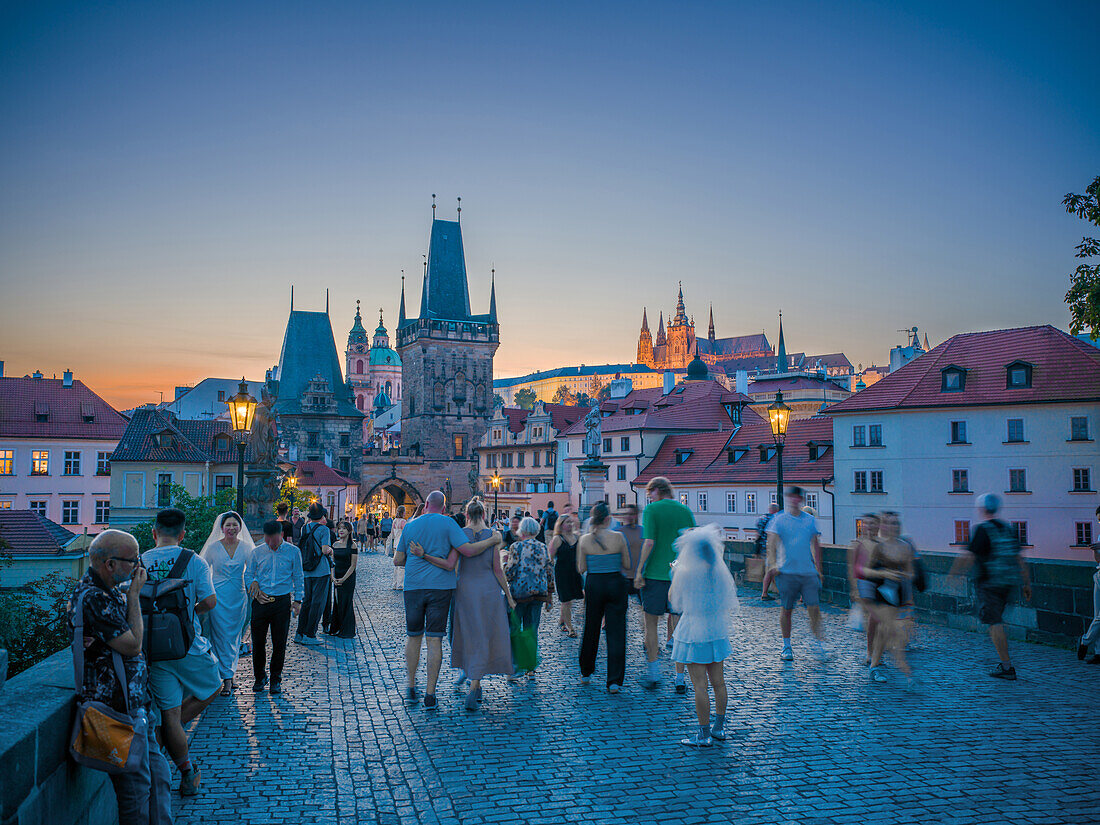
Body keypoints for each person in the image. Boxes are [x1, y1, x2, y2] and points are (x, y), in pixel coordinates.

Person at [68, 529, 173, 824]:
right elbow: (132, 645)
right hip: (116, 711)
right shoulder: (93, 598)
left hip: (137, 704)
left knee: (159, 779)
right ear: (109, 564)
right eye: (132, 560)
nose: (139, 566)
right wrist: (135, 596)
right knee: (135, 796)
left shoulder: (110, 590)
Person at [141, 508, 221, 797]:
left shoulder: (140, 561)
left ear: (154, 533)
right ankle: (168, 742)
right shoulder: (194, 561)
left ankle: (186, 770)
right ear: (183, 534)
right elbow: (210, 602)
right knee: (214, 686)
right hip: (188, 646)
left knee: (169, 713)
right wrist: (188, 614)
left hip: (153, 648)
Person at [397, 491, 501, 709]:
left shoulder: (410, 525)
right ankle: (430, 695)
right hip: (441, 588)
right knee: (434, 640)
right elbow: (468, 551)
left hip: (414, 587)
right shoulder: (449, 525)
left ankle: (410, 686)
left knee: (413, 636)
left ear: (426, 504)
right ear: (443, 508)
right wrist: (492, 541)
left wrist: (417, 556)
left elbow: (398, 560)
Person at [417, 499, 515, 711]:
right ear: (484, 514)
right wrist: (508, 595)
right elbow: (498, 570)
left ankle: (474, 682)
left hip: (466, 590)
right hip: (488, 590)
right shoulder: (493, 535)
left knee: (471, 635)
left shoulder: (460, 533)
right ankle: (475, 685)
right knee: (484, 634)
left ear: (468, 515)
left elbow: (452, 565)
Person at [669, 524, 739, 747]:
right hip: (716, 628)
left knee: (700, 685)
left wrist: (676, 568)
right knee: (719, 682)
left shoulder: (685, 571)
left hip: (694, 629)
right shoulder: (717, 571)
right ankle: (719, 728)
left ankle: (703, 733)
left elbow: (673, 599)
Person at [951, 493, 1032, 680]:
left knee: (995, 623)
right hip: (1008, 583)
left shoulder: (982, 529)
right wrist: (1027, 584)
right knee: (997, 621)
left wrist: (953, 575)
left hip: (989, 583)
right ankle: (1005, 663)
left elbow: (968, 556)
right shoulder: (1008, 529)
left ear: (982, 509)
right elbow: (1020, 559)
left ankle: (1007, 666)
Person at [634, 476, 695, 691]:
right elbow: (689, 545)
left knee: (651, 625)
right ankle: (680, 678)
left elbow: (649, 542)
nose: (649, 497)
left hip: (655, 576)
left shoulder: (652, 510)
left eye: (650, 493)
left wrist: (640, 569)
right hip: (679, 575)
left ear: (657, 491)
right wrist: (676, 564)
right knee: (678, 627)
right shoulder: (685, 510)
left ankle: (654, 673)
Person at [766, 486, 829, 663]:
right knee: (787, 609)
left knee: (814, 609)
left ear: (801, 500)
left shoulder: (809, 520)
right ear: (788, 499)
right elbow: (771, 544)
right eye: (791, 497)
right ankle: (787, 646)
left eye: (797, 497)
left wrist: (819, 569)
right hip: (786, 571)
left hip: (808, 572)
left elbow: (816, 545)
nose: (794, 500)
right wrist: (772, 564)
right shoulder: (779, 520)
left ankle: (818, 644)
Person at [199, 511, 255, 696]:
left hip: (238, 597)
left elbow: (252, 571)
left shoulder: (247, 547)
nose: (231, 528)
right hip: (218, 596)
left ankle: (228, 673)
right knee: (218, 636)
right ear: (221, 528)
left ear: (240, 528)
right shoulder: (213, 548)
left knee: (233, 638)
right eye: (228, 525)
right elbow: (203, 569)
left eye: (234, 525)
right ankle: (227, 678)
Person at [577, 502, 631, 692]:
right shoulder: (618, 537)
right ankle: (614, 680)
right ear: (608, 519)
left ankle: (586, 671)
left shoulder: (584, 540)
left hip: (594, 584)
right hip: (615, 583)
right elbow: (626, 563)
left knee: (591, 627)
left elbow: (581, 568)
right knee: (616, 631)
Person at [247, 521, 303, 693]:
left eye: (274, 539)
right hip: (261, 601)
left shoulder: (293, 552)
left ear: (282, 535)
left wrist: (298, 600)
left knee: (279, 643)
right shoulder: (256, 552)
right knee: (257, 642)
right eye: (267, 539)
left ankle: (275, 679)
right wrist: (253, 583)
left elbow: (298, 576)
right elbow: (248, 574)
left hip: (281, 602)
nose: (270, 543)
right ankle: (259, 677)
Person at [864, 512, 917, 686]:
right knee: (886, 629)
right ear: (885, 527)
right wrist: (884, 573)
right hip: (882, 591)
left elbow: (911, 572)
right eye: (889, 524)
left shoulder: (905, 547)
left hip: (898, 592)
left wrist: (903, 576)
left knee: (887, 632)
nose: (893, 527)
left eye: (896, 524)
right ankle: (880, 666)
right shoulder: (879, 547)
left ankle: (878, 664)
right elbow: (868, 571)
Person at [502, 516, 554, 679]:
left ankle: (515, 666)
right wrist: (550, 596)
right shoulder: (543, 547)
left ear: (522, 530)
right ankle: (531, 667)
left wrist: (503, 566)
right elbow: (549, 571)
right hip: (538, 594)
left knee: (515, 629)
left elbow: (510, 572)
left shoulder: (516, 547)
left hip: (519, 594)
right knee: (532, 630)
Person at [294, 503, 333, 646]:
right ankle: (310, 634)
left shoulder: (305, 527)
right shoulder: (324, 529)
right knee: (318, 603)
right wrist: (331, 550)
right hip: (321, 570)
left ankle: (299, 633)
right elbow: (324, 550)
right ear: (322, 515)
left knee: (306, 602)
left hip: (306, 569)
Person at [847, 513, 881, 665]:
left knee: (879, 620)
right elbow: (852, 567)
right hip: (864, 582)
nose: (870, 526)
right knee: (874, 617)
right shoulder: (858, 544)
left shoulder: (882, 544)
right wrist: (854, 589)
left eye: (874, 523)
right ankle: (870, 652)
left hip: (880, 584)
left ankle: (876, 650)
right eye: (868, 523)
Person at [614, 504, 646, 639]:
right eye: (626, 513)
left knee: (645, 609)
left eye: (632, 513)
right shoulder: (618, 531)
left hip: (640, 576)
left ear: (636, 515)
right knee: (620, 609)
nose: (629, 516)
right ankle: (617, 634)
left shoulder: (643, 531)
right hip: (623, 576)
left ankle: (647, 636)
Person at [549, 513, 584, 637]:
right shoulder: (557, 539)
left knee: (573, 599)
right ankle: (570, 628)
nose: (570, 524)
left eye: (571, 522)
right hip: (562, 573)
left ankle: (562, 620)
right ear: (561, 525)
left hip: (575, 572)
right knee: (566, 601)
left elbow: (581, 555)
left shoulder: (577, 537)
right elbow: (550, 558)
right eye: (567, 522)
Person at [325, 520, 358, 638]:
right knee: (337, 601)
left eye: (344, 528)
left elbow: (353, 565)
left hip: (348, 577)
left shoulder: (353, 545)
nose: (341, 531)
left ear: (349, 531)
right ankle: (336, 627)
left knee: (346, 601)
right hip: (337, 575)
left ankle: (347, 630)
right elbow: (332, 563)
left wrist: (343, 579)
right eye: (339, 528)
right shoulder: (334, 545)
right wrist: (332, 576)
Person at [1079, 506, 1100, 664]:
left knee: (1099, 616)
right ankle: (1099, 652)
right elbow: (1098, 560)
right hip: (1099, 574)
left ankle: (1085, 641)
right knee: (1097, 614)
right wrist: (1096, 550)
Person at [755, 504, 780, 600]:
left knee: (771, 569)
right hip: (773, 548)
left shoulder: (761, 519)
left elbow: (758, 534)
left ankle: (777, 590)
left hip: (763, 548)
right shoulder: (776, 519)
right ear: (776, 510)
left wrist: (756, 550)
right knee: (771, 570)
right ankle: (765, 593)